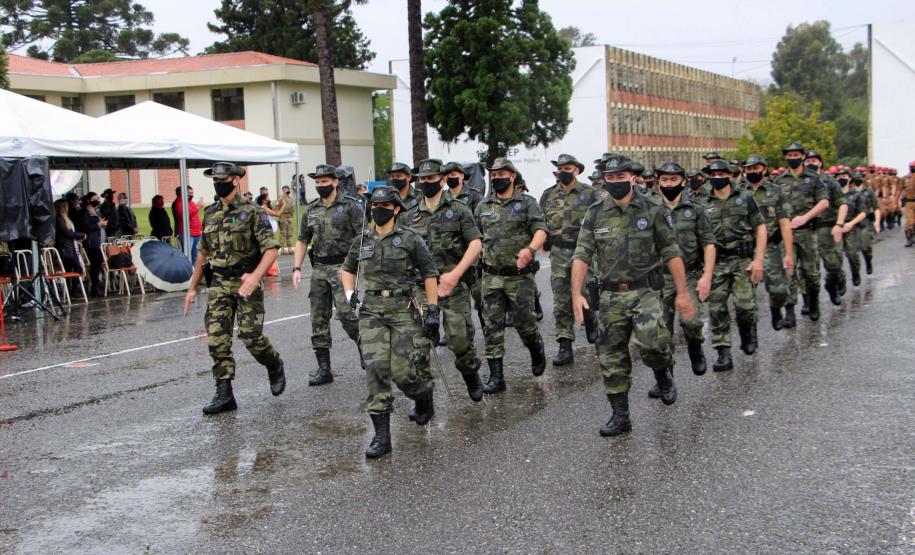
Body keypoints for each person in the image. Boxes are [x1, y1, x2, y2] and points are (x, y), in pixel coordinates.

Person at [571, 154, 694, 436]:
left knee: (652, 341)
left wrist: (683, 293)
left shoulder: (651, 208)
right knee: (610, 356)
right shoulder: (595, 212)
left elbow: (671, 252)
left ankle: (663, 372)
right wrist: (576, 293)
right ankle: (620, 415)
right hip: (611, 296)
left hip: (645, 290)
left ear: (632, 177)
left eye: (620, 177)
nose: (614, 182)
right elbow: (582, 254)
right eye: (609, 178)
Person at [340, 186, 439, 459]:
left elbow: (429, 272)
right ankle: (382, 436)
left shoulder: (409, 238)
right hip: (371, 311)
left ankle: (422, 395)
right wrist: (350, 294)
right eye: (374, 205)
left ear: (396, 209)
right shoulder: (362, 239)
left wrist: (433, 309)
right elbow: (347, 269)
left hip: (403, 309)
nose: (378, 210)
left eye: (384, 206)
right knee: (375, 369)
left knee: (402, 371)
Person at [183, 162, 286, 415]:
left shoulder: (252, 211)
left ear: (235, 180)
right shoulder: (209, 213)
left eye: (224, 178)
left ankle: (273, 362)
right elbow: (202, 254)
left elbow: (272, 248)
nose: (219, 182)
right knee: (217, 338)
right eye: (215, 178)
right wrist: (192, 288)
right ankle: (224, 392)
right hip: (218, 282)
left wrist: (255, 277)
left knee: (251, 337)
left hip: (245, 282)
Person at [404, 159, 485, 401]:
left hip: (453, 284)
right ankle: (423, 398)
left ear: (441, 179)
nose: (426, 182)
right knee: (419, 344)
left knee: (460, 341)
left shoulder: (459, 210)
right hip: (420, 287)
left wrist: (456, 274)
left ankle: (471, 374)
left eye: (431, 178)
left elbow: (475, 244)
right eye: (422, 179)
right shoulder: (409, 217)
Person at [474, 157, 548, 394]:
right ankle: (497, 376)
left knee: (525, 324)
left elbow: (540, 230)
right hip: (491, 277)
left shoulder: (527, 203)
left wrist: (530, 250)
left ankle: (536, 349)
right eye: (493, 175)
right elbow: (475, 239)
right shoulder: (483, 207)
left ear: (512, 176)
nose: (497, 178)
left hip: (519, 277)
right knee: (492, 326)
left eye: (501, 174)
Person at [292, 164, 365, 386]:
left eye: (325, 181)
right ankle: (324, 369)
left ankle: (367, 350)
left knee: (347, 315)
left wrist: (357, 266)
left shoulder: (351, 206)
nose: (320, 185)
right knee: (318, 318)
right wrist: (296, 268)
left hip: (344, 267)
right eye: (318, 182)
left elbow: (364, 238)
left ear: (335, 182)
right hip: (319, 271)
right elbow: (302, 240)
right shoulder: (311, 209)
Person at [653, 161, 716, 387]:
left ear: (683, 182)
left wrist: (707, 276)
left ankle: (695, 347)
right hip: (659, 279)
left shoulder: (696, 210)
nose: (668, 184)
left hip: (689, 275)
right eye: (664, 180)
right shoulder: (648, 208)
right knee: (660, 332)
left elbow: (708, 244)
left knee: (691, 322)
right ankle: (665, 376)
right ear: (657, 182)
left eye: (673, 180)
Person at [703, 159, 766, 372]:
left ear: (729, 175)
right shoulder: (702, 202)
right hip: (717, 262)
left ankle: (748, 332)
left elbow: (760, 228)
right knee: (717, 307)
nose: (718, 178)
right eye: (714, 175)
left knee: (745, 306)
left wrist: (758, 260)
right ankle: (723, 351)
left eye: (722, 174)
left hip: (742, 259)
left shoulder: (745, 197)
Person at [538, 153, 599, 366]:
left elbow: (599, 223)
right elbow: (541, 221)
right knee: (561, 298)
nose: (563, 172)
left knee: (584, 292)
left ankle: (590, 319)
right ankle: (565, 343)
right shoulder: (548, 195)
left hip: (583, 251)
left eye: (567, 168)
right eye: (560, 168)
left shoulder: (590, 194)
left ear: (577, 170)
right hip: (559, 252)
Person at [774, 142, 829, 322]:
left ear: (803, 156)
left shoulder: (813, 178)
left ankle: (813, 302)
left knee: (810, 272)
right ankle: (790, 310)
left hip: (808, 232)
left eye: (796, 155)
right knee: (788, 271)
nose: (792, 158)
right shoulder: (779, 181)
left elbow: (824, 202)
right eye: (789, 156)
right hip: (787, 234)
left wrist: (805, 217)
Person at [745, 155, 795, 330]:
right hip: (746, 250)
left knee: (779, 290)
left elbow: (785, 224)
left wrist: (788, 254)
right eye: (749, 169)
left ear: (764, 170)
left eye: (756, 169)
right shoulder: (739, 193)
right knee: (745, 297)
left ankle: (776, 308)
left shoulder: (776, 192)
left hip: (770, 247)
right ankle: (751, 334)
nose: (752, 172)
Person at [805, 150, 848, 306]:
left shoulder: (829, 181)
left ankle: (832, 285)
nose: (811, 163)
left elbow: (842, 203)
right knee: (807, 270)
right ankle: (808, 301)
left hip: (827, 229)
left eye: (814, 160)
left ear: (820, 163)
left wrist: (839, 224)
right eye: (808, 160)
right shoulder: (800, 182)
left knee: (834, 266)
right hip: (806, 230)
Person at [836, 168, 867, 287]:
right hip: (836, 227)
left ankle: (855, 272)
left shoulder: (855, 194)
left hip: (850, 226)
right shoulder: (833, 194)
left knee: (852, 254)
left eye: (844, 176)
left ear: (849, 178)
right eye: (839, 176)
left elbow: (863, 212)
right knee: (836, 257)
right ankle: (840, 280)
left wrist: (851, 223)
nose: (841, 178)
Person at [75, 192, 107, 297]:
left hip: (100, 241)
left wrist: (103, 224)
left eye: (98, 198)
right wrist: (99, 224)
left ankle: (97, 285)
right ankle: (95, 287)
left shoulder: (96, 211)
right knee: (95, 266)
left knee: (98, 265)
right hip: (92, 243)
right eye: (95, 198)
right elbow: (86, 227)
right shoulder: (85, 213)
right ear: (89, 200)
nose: (98, 200)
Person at [854, 171, 881, 274]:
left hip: (866, 222)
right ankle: (855, 270)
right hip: (853, 222)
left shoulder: (868, 192)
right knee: (853, 249)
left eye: (859, 177)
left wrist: (877, 222)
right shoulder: (851, 192)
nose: (857, 179)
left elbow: (876, 208)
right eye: (855, 177)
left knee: (865, 246)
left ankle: (868, 261)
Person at [53, 198, 86, 278]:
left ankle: (73, 288)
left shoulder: (65, 219)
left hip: (70, 247)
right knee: (75, 269)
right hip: (66, 248)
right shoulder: (59, 219)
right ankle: (72, 288)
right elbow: (67, 232)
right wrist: (81, 235)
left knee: (73, 269)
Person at [173, 185, 203, 263]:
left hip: (197, 234)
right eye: (189, 193)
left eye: (192, 193)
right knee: (187, 256)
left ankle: (193, 272)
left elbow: (195, 215)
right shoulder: (179, 203)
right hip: (188, 234)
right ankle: (188, 273)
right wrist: (198, 207)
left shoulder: (191, 202)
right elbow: (185, 214)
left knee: (195, 256)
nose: (191, 195)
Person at [276, 185, 294, 254]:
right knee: (283, 233)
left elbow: (292, 208)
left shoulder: (290, 198)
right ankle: (282, 249)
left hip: (289, 217)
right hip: (283, 217)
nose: (286, 190)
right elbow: (277, 206)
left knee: (289, 233)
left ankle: (290, 248)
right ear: (283, 190)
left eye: (287, 189)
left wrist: (291, 216)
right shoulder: (280, 198)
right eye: (285, 189)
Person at [902, 161, 915, 247]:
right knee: (909, 221)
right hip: (909, 202)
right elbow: (901, 190)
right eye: (912, 166)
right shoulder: (906, 178)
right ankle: (909, 238)